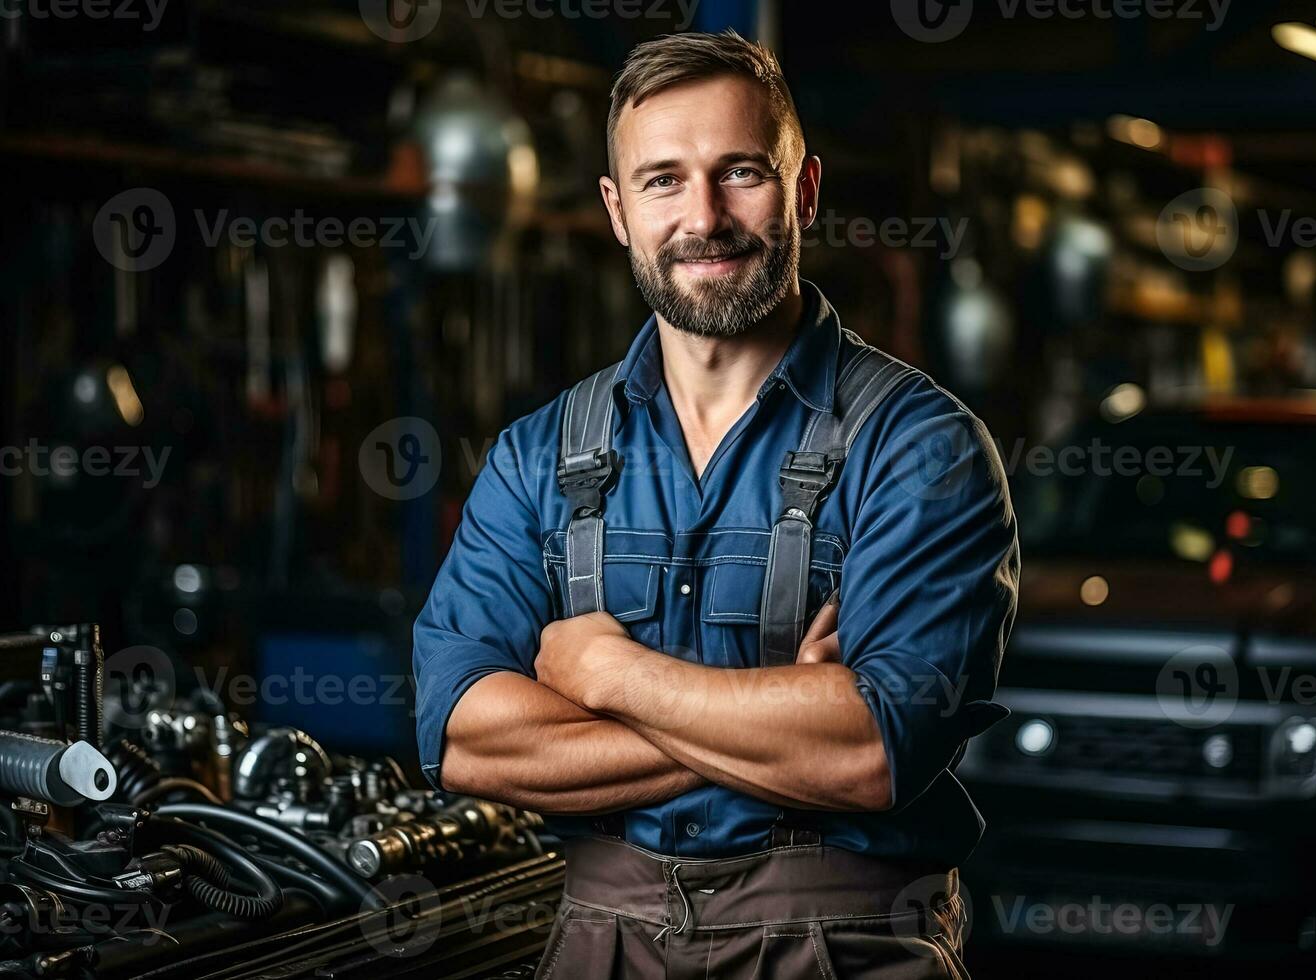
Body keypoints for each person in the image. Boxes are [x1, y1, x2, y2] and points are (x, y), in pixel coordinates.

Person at [412, 29, 1019, 979]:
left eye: (740, 172)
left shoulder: (921, 449)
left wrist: (607, 672)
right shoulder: (539, 457)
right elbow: (463, 738)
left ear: (804, 190)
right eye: (662, 180)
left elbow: (870, 753)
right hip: (601, 940)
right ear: (617, 211)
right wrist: (781, 720)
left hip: (846, 942)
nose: (704, 215)